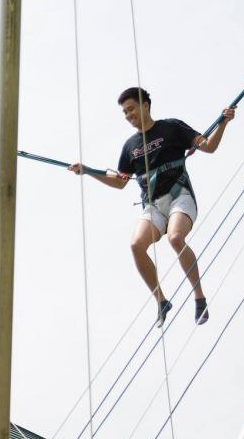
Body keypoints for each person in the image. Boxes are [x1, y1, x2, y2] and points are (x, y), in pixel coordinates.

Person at [68, 87, 235, 327]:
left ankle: (199, 297)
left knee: (175, 238)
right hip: (154, 205)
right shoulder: (130, 146)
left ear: (145, 105)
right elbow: (119, 182)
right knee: (136, 245)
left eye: (131, 109)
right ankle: (161, 301)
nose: (128, 115)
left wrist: (224, 122)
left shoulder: (172, 127)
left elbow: (208, 146)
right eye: (125, 112)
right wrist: (88, 171)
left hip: (179, 196)